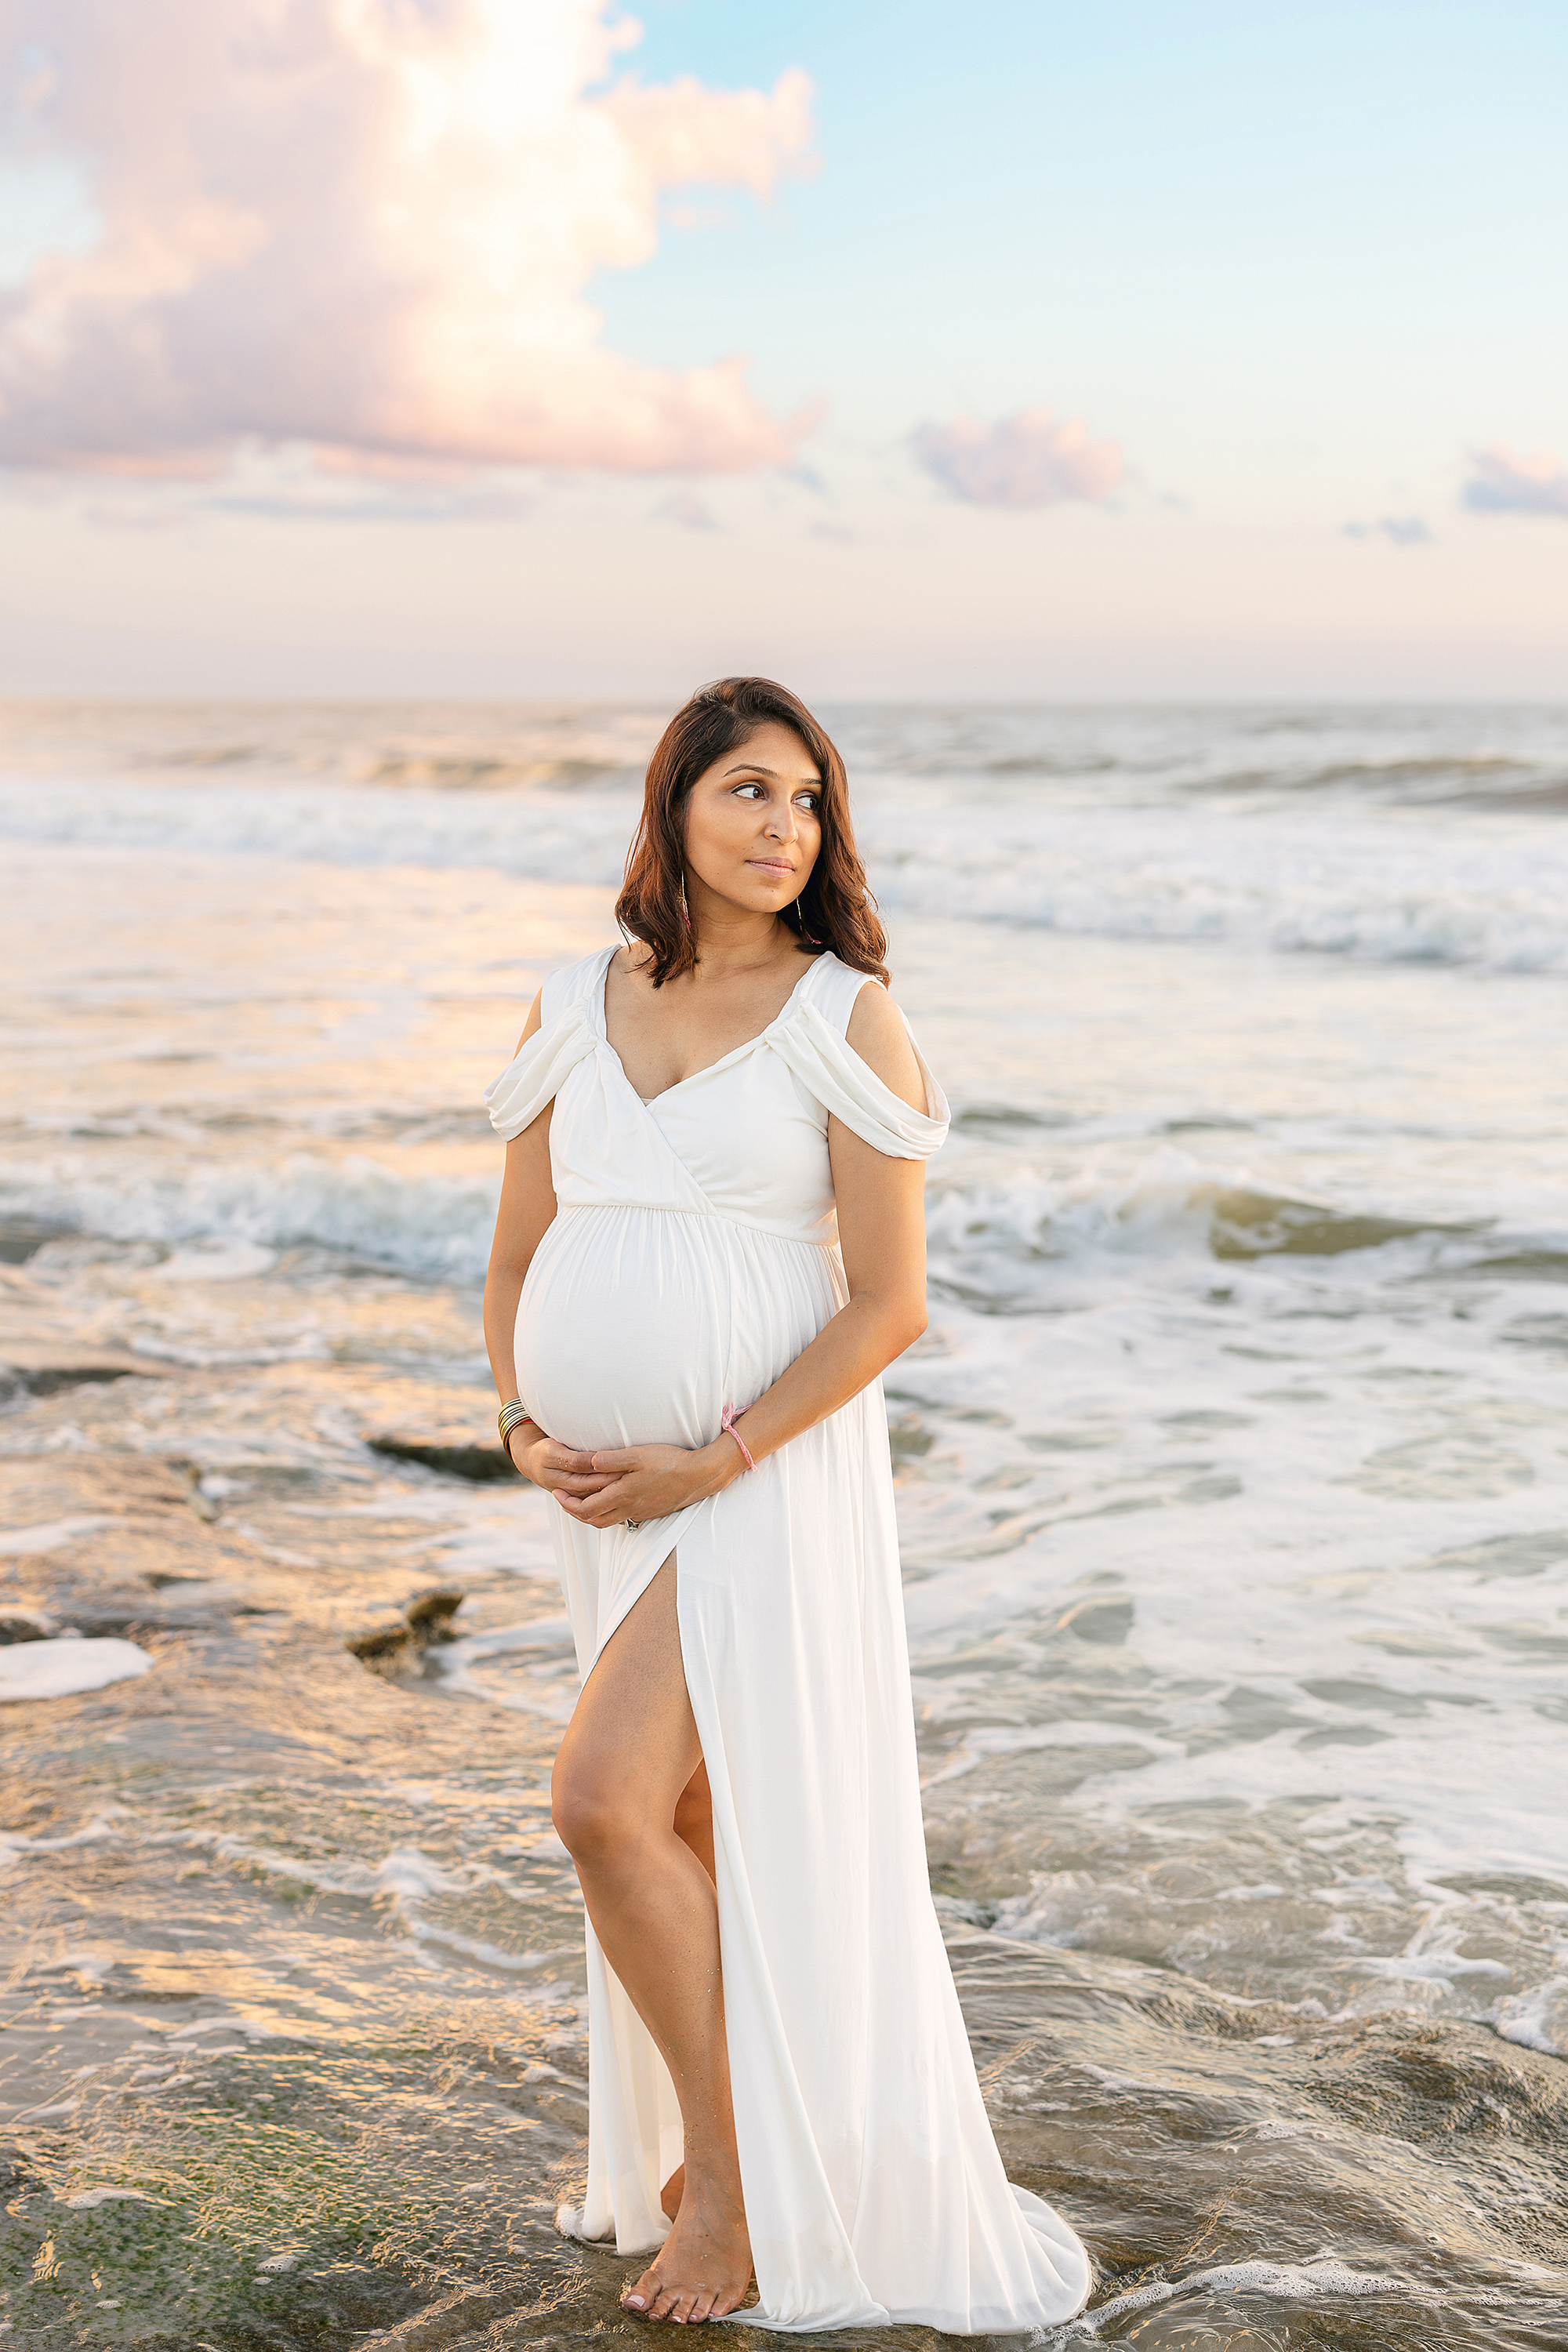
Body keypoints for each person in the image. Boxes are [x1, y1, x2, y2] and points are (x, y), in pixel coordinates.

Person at [481, 677, 1091, 2332]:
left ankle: (737, 2196)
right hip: (609, 1492)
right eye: (749, 791)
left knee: (602, 1803)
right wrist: (526, 1422)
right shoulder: (569, 998)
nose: (782, 829)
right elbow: (520, 1255)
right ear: (673, 803)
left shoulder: (845, 1013)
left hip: (758, 1473)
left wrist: (713, 1456)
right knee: (680, 1826)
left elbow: (887, 1306)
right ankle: (722, 2156)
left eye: (809, 802)